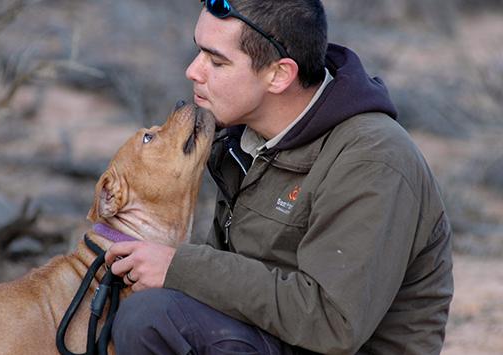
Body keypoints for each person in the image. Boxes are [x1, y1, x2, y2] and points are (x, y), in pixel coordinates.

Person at [104, 0, 454, 354]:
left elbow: (333, 322)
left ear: (279, 75)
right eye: (198, 52)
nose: (193, 71)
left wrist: (180, 267)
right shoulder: (244, 139)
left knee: (152, 317)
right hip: (275, 337)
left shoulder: (373, 157)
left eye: (217, 61)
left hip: (333, 343)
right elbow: (233, 283)